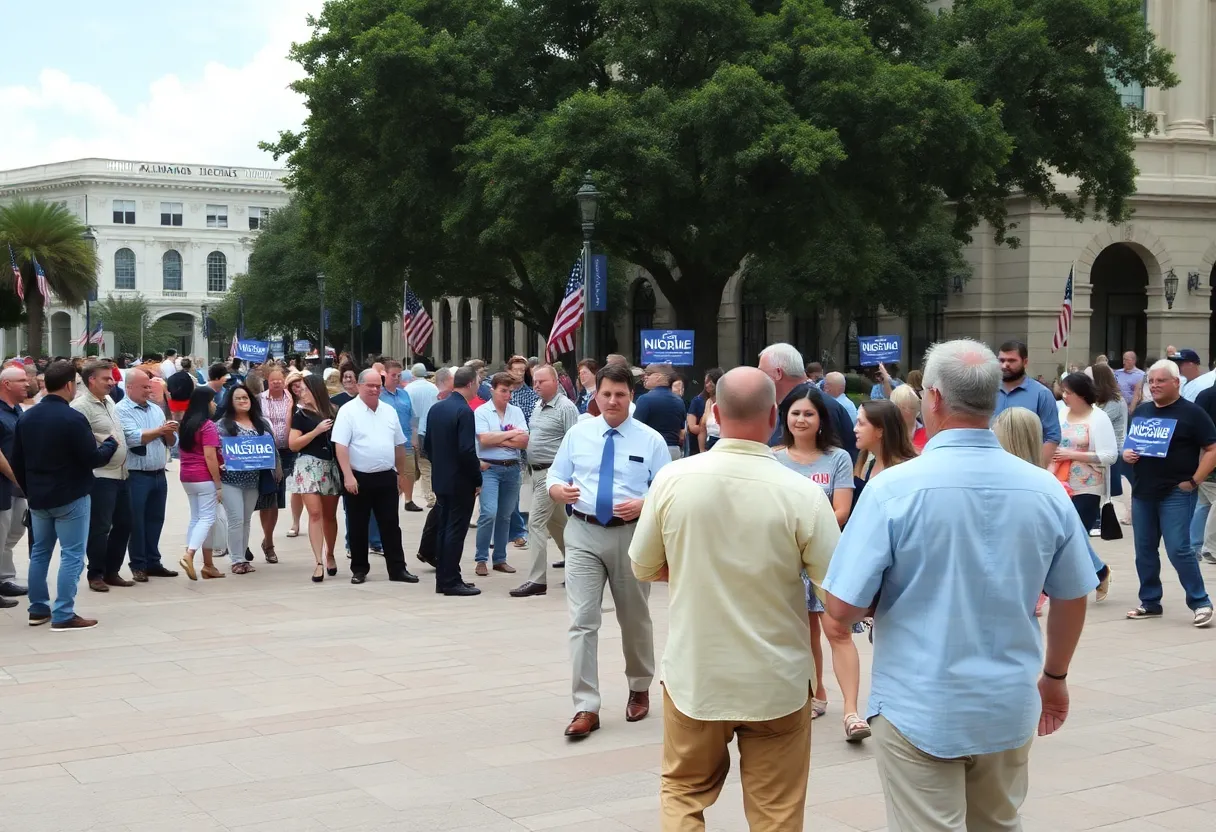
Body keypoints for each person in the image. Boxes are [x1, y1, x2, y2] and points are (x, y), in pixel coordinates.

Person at [823, 339, 1096, 830]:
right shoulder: (1044, 489)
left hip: (917, 702)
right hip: (1007, 699)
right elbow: (1073, 592)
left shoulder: (893, 488)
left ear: (934, 399)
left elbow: (840, 608)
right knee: (998, 823)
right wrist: (1054, 677)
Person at [629, 367, 840, 830]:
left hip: (697, 676)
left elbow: (642, 565)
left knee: (683, 792)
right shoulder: (803, 494)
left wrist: (691, 566)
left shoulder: (672, 479)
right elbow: (834, 590)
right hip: (777, 680)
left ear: (717, 413)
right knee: (777, 812)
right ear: (773, 417)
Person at [547, 363, 671, 739]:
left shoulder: (650, 440)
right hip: (582, 532)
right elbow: (555, 475)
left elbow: (668, 491)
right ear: (596, 396)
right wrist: (557, 490)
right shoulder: (578, 434)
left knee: (634, 619)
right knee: (582, 620)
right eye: (606, 394)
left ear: (631, 396)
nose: (613, 401)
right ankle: (586, 706)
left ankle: (639, 685)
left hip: (631, 536)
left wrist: (644, 502)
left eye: (620, 394)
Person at [773, 384, 866, 742]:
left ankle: (853, 713)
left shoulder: (838, 458)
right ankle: (817, 693)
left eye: (809, 413)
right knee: (805, 631)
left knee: (837, 631)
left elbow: (841, 510)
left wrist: (803, 527)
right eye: (795, 412)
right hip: (787, 559)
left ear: (821, 419)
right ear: (785, 417)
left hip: (829, 558)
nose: (801, 419)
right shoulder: (773, 458)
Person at [13, 360, 119, 630]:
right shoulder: (73, 418)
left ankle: (38, 608)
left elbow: (17, 461)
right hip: (71, 495)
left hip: (39, 497)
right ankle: (63, 613)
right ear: (70, 385)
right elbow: (91, 459)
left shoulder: (27, 417)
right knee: (72, 554)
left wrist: (29, 490)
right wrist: (109, 444)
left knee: (40, 553)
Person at [1123, 359, 1216, 626]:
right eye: (1151, 381)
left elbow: (1212, 448)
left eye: (1160, 380)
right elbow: (1133, 445)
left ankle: (1200, 602)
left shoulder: (1192, 413)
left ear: (1176, 382)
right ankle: (1150, 602)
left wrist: (1195, 480)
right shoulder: (1141, 411)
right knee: (1144, 550)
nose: (1154, 386)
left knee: (1179, 549)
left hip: (1176, 492)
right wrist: (1126, 454)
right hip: (1143, 492)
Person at [332, 369, 417, 585]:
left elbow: (399, 444)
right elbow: (340, 446)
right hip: (358, 477)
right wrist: (348, 476)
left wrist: (399, 473)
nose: (374, 389)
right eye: (370, 385)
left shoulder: (389, 411)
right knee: (358, 525)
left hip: (386, 475)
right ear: (359, 386)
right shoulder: (348, 411)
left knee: (390, 524)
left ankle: (398, 569)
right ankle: (359, 569)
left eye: (377, 386)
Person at [511, 365, 578, 598]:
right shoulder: (539, 406)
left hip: (552, 475)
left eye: (541, 381)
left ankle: (537, 580)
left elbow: (574, 445)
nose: (536, 385)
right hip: (535, 472)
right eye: (535, 381)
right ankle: (577, 567)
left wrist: (567, 477)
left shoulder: (566, 407)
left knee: (536, 523)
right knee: (557, 523)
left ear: (555, 381)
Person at [71, 361, 133, 593]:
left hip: (122, 474)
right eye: (106, 378)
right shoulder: (80, 407)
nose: (112, 382)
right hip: (101, 476)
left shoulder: (109, 401)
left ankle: (112, 571)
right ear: (91, 381)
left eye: (112, 378)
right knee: (100, 527)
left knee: (125, 524)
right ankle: (95, 573)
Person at [423, 366, 482, 597]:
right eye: (477, 382)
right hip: (460, 481)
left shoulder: (437, 408)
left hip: (441, 478)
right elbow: (467, 450)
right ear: (469, 384)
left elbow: (427, 444)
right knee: (455, 530)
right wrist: (477, 478)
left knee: (444, 528)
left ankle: (445, 577)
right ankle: (450, 581)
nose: (478, 386)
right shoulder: (464, 411)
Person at [116, 368, 179, 582]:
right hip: (136, 475)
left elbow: (171, 442)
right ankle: (138, 564)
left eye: (150, 386)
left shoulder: (156, 410)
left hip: (158, 474)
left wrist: (169, 433)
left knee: (155, 519)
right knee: (136, 522)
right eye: (144, 387)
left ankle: (154, 562)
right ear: (129, 387)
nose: (148, 390)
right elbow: (133, 438)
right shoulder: (121, 410)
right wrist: (161, 431)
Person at [758, 343, 857, 460]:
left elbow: (831, 463)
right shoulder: (785, 404)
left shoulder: (822, 406)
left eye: (762, 372)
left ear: (778, 373)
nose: (759, 378)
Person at [217, 385, 277, 575]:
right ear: (230, 402)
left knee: (246, 520)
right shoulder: (223, 424)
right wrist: (221, 463)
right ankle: (237, 560)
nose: (243, 401)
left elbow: (269, 449)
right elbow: (217, 450)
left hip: (253, 480)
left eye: (246, 398)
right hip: (230, 480)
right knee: (236, 519)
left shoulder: (261, 424)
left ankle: (242, 556)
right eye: (238, 398)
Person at [473, 371, 528, 577]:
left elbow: (524, 441)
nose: (507, 396)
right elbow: (484, 439)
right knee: (489, 512)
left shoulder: (516, 412)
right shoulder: (482, 412)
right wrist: (512, 434)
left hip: (512, 467)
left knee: (505, 515)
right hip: (490, 467)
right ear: (493, 390)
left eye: (510, 391)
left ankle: (500, 558)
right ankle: (480, 558)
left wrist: (499, 438)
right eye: (503, 391)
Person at [288, 375, 342, 583]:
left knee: (329, 515)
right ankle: (318, 561)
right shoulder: (300, 414)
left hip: (330, 465)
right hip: (308, 465)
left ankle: (330, 554)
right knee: (315, 513)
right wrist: (316, 431)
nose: (301, 391)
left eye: (304, 388)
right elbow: (293, 444)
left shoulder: (334, 411)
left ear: (315, 390)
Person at [176, 387, 224, 581]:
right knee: (207, 519)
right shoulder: (207, 426)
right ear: (205, 403)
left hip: (187, 477)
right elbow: (210, 456)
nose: (215, 404)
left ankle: (208, 565)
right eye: (212, 401)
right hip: (204, 477)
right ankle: (190, 553)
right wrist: (218, 484)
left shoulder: (186, 424)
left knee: (197, 518)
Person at [993, 339, 1061, 467]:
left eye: (1011, 361)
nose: (1004, 365)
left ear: (1025, 362)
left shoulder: (1042, 394)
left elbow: (1052, 437)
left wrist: (1038, 470)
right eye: (1001, 360)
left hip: (1027, 466)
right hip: (991, 465)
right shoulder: (987, 391)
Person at [256, 366, 294, 563]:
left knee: (277, 499)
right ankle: (268, 543)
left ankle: (268, 540)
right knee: (267, 498)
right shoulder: (259, 400)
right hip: (264, 455)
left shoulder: (292, 398)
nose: (277, 383)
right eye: (273, 380)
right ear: (267, 381)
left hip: (287, 453)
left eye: (280, 380)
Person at [852, 400, 916, 504]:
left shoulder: (904, 472)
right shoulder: (866, 464)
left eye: (861, 423)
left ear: (880, 431)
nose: (855, 429)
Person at [0, 366, 27, 602]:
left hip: (20, 485)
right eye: (21, 381)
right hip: (4, 484)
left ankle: (5, 577)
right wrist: (15, 477)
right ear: (6, 385)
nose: (27, 384)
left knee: (16, 530)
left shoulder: (18, 410)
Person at [1091, 362, 1130, 525]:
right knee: (1103, 487)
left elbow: (1096, 421)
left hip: (1114, 450)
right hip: (1101, 449)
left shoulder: (1114, 401)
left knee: (1114, 487)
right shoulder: (1100, 400)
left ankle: (1128, 514)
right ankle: (1098, 517)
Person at [381, 359, 421, 512]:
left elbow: (413, 416)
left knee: (408, 471)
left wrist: (414, 435)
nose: (397, 378)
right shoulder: (379, 394)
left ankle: (408, 499)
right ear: (385, 375)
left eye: (399, 375)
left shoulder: (404, 394)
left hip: (405, 438)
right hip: (387, 441)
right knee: (391, 474)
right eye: (393, 375)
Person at [635, 364, 687, 460]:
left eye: (649, 374)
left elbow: (635, 428)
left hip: (651, 450)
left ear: (659, 377)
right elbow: (681, 431)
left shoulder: (644, 399)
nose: (644, 377)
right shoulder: (679, 401)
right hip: (674, 450)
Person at [406, 362, 439, 510]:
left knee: (412, 467)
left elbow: (409, 413)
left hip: (414, 430)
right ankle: (431, 495)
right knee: (427, 465)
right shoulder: (433, 388)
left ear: (413, 374)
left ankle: (408, 496)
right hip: (430, 430)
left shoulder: (408, 390)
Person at [685, 368, 722, 456]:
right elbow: (696, 427)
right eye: (706, 382)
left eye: (711, 382)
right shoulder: (702, 401)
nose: (707, 385)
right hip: (707, 443)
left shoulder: (726, 402)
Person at [889, 383, 928, 453]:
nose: (908, 412)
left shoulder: (927, 434)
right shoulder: (889, 436)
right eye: (901, 409)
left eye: (911, 408)